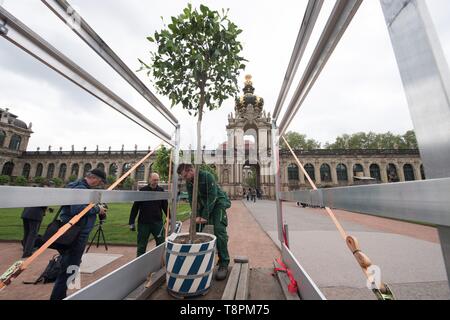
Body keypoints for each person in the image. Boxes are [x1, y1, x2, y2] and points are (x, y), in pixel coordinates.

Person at [50, 168, 107, 300]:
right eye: (99, 181)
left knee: (71, 265)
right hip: (76, 233)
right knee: (71, 266)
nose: (99, 184)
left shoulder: (81, 187)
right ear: (93, 178)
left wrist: (97, 208)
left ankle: (62, 294)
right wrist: (97, 209)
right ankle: (58, 296)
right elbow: (77, 209)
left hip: (75, 232)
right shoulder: (80, 188)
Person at [177, 163, 231, 281]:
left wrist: (205, 215)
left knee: (218, 230)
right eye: (183, 177)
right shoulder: (189, 182)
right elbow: (192, 199)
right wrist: (196, 216)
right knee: (196, 230)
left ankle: (224, 263)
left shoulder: (207, 176)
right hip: (203, 205)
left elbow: (213, 197)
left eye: (185, 176)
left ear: (191, 170)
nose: (185, 179)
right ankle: (200, 259)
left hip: (218, 203)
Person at [129, 172, 168, 257]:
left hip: (157, 223)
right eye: (154, 180)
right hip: (144, 223)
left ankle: (160, 261)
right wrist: (131, 222)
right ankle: (139, 263)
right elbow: (135, 207)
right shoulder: (142, 191)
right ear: (149, 179)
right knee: (141, 245)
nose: (156, 182)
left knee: (161, 243)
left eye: (157, 180)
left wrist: (170, 217)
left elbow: (165, 206)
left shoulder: (161, 191)